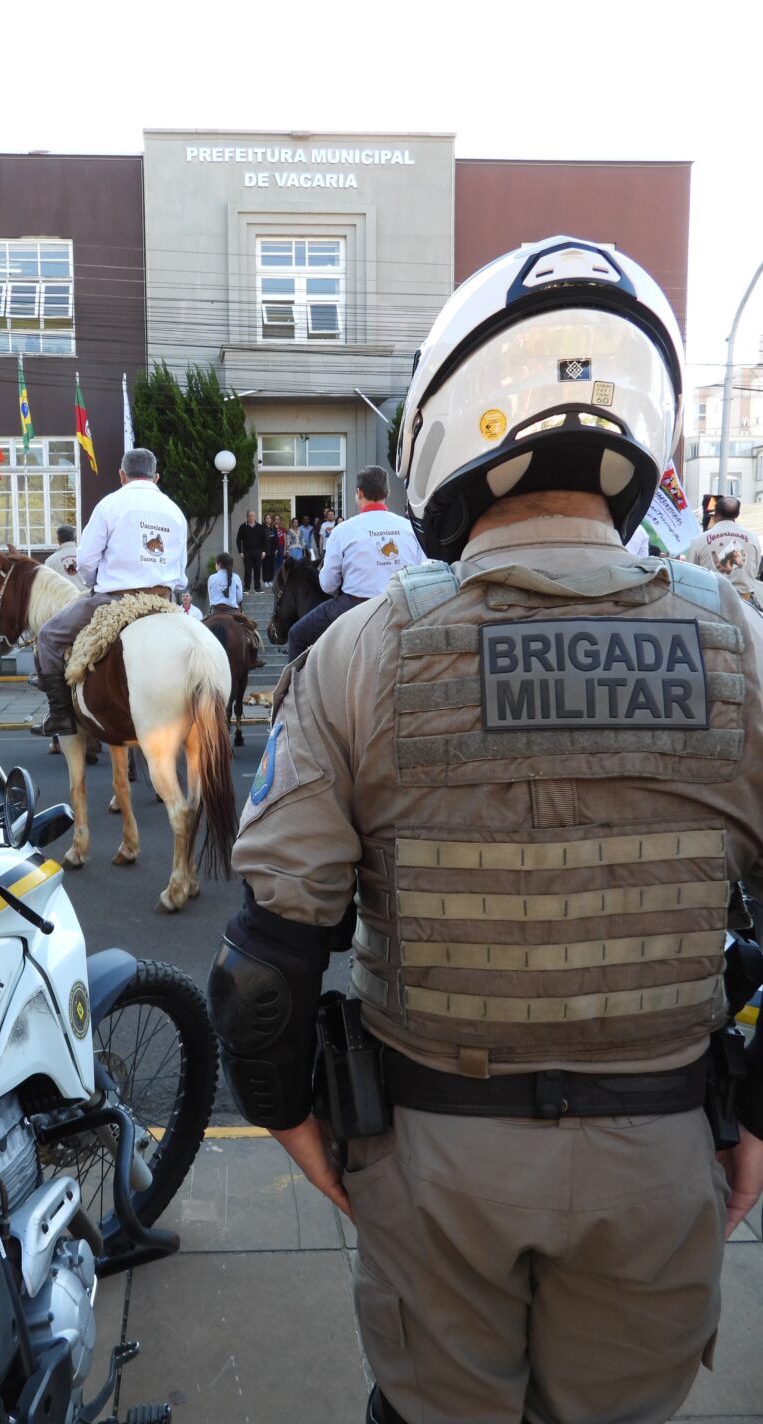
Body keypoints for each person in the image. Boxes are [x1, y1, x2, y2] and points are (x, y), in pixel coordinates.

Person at [208, 236, 763, 1424]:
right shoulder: (743, 645)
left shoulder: (358, 651)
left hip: (431, 1154)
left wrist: (288, 1115)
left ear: (448, 423)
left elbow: (266, 963)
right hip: (662, 1150)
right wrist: (759, 1109)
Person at [34, 448, 188, 737]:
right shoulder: (175, 512)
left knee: (47, 637)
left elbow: (86, 561)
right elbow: (180, 577)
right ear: (156, 477)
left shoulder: (110, 505)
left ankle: (60, 715)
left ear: (121, 475)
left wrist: (94, 583)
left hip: (115, 600)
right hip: (162, 603)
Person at [286, 467, 423, 660]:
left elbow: (327, 584)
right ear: (388, 493)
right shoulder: (409, 528)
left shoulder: (343, 530)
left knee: (296, 636)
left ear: (359, 492)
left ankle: (296, 681)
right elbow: (424, 571)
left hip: (354, 606)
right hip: (402, 606)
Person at [686, 495, 761, 602]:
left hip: (709, 601)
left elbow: (689, 575)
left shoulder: (698, 541)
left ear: (716, 513)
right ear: (737, 514)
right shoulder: (753, 539)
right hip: (744, 602)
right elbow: (755, 571)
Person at [44, 524, 86, 591]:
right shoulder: (86, 555)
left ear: (58, 539)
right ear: (75, 538)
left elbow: (46, 585)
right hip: (85, 596)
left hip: (62, 596)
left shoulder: (51, 560)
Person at [235, 510, 266, 593]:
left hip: (258, 551)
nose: (252, 517)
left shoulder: (260, 527)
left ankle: (257, 587)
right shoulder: (242, 527)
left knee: (257, 570)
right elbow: (238, 540)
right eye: (251, 516)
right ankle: (246, 587)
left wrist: (263, 551)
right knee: (247, 570)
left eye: (253, 516)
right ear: (247, 517)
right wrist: (240, 552)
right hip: (247, 552)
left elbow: (264, 540)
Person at [261, 512, 277, 587]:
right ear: (264, 520)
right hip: (265, 550)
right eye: (267, 518)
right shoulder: (262, 528)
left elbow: (275, 540)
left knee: (271, 566)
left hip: (272, 550)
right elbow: (260, 540)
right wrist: (262, 550)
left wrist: (276, 549)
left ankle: (270, 580)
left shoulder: (273, 528)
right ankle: (265, 581)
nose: (269, 519)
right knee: (265, 566)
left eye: (270, 518)